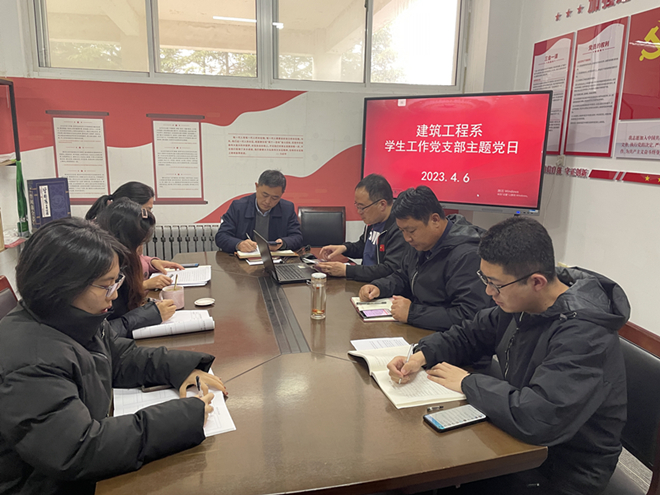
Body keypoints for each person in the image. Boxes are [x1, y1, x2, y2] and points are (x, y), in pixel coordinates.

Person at [387, 217, 629, 495]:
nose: (488, 292)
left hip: (563, 467)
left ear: (536, 282)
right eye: (485, 279)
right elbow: (470, 334)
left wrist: (467, 382)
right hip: (522, 445)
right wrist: (421, 354)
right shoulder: (523, 303)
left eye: (495, 284)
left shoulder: (585, 335)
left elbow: (539, 416)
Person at [0, 218, 227, 495]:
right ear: (63, 286)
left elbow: (118, 357)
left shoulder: (72, 317)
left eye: (116, 281)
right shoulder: (30, 360)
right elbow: (79, 449)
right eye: (107, 285)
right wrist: (182, 418)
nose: (115, 293)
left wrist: (179, 368)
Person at [359, 186, 491, 331]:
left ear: (435, 220)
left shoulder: (467, 255)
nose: (407, 238)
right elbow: (403, 276)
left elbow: (469, 315)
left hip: (448, 337)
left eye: (411, 231)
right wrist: (379, 287)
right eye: (402, 231)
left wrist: (412, 313)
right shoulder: (421, 243)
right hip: (420, 329)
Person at [95, 198, 177, 333]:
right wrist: (150, 315)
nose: (140, 252)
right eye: (138, 244)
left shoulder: (122, 265)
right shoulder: (101, 270)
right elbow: (99, 333)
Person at [85, 181, 179, 289]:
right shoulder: (99, 241)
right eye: (147, 209)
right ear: (129, 208)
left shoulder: (123, 230)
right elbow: (109, 290)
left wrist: (152, 263)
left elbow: (136, 259)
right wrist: (143, 285)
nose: (148, 214)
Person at [317, 174, 406, 282]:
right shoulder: (373, 221)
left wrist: (347, 271)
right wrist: (344, 248)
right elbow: (363, 246)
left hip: (380, 287)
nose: (359, 212)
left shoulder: (400, 228)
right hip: (365, 282)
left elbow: (389, 270)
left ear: (382, 204)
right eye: (357, 206)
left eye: (362, 207)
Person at [215, 170, 303, 253]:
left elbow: (297, 237)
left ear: (281, 194)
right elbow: (221, 236)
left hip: (275, 259)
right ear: (257, 187)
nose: (268, 201)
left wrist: (283, 243)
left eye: (275, 198)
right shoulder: (238, 207)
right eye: (265, 195)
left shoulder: (287, 208)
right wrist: (239, 244)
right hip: (244, 260)